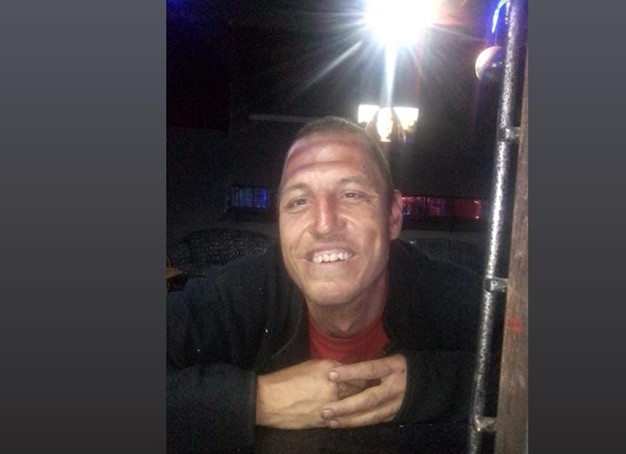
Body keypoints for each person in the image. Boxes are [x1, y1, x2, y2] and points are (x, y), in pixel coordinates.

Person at [167, 117, 494, 453]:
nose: (324, 224)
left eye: (351, 194)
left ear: (393, 217)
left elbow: (520, 372)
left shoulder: (453, 296)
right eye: (298, 202)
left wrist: (431, 386)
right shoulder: (239, 293)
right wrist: (260, 400)